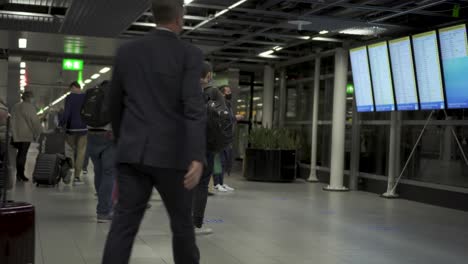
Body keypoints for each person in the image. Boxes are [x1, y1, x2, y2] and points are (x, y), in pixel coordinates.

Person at [101, 0, 206, 263]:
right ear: (180, 17)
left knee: (123, 226)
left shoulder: (127, 52)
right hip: (174, 157)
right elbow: (193, 107)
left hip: (133, 153)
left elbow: (114, 103)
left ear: (152, 16)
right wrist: (197, 155)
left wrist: (123, 139)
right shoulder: (189, 54)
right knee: (182, 227)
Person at [192, 61, 226, 235]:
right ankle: (195, 225)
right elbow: (226, 119)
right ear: (209, 75)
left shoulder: (184, 90)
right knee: (202, 184)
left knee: (186, 184)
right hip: (205, 145)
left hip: (184, 145)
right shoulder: (213, 93)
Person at [85, 81, 115, 223]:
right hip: (109, 136)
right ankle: (103, 211)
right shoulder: (116, 94)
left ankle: (105, 206)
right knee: (109, 174)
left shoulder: (93, 94)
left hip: (91, 135)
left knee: (99, 172)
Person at [212, 85, 242, 192]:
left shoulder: (227, 104)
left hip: (227, 137)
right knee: (218, 161)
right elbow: (222, 119)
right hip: (219, 137)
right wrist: (234, 118)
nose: (230, 94)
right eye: (228, 92)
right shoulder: (218, 104)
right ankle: (216, 183)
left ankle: (221, 182)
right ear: (222, 93)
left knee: (224, 161)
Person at [60, 81, 88, 185]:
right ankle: (77, 177)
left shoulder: (70, 97)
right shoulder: (86, 96)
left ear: (73, 87)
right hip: (83, 128)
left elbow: (67, 113)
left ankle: (69, 170)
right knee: (81, 152)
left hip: (71, 128)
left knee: (70, 150)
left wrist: (61, 124)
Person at [10, 91, 42, 182]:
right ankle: (21, 175)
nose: (33, 99)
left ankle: (18, 174)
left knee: (19, 154)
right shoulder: (29, 107)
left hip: (16, 134)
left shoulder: (15, 106)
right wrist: (38, 132)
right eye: (32, 97)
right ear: (28, 98)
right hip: (25, 134)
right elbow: (34, 121)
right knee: (23, 154)